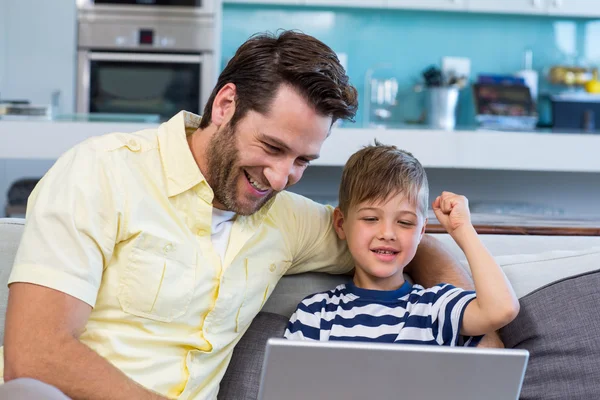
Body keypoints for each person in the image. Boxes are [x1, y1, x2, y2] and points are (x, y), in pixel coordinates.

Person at [1, 31, 499, 400]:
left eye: (302, 160)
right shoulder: (102, 172)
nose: (282, 178)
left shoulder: (286, 219)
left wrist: (473, 332)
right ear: (225, 105)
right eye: (272, 147)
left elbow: (395, 242)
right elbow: (36, 354)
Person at [285, 143, 520, 346]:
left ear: (421, 232)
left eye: (405, 222)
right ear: (341, 224)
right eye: (370, 219)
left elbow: (502, 309)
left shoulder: (435, 307)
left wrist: (463, 230)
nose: (388, 233)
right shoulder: (315, 312)